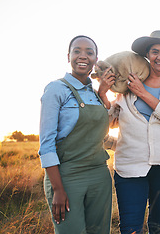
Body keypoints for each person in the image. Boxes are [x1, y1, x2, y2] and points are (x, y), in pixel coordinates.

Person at [99, 30, 160, 234]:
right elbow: (107, 121)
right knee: (131, 228)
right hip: (130, 166)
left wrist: (143, 93)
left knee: (158, 227)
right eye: (155, 51)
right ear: (147, 55)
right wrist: (103, 93)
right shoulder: (126, 86)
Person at [38, 35, 112, 234]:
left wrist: (103, 94)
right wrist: (58, 189)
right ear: (68, 56)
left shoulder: (96, 94)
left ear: (96, 60)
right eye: (77, 51)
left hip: (99, 175)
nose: (83, 56)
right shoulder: (56, 89)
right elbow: (46, 144)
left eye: (90, 52)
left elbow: (101, 134)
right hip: (67, 177)